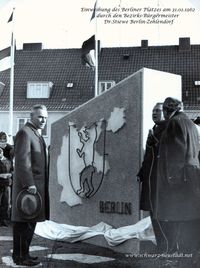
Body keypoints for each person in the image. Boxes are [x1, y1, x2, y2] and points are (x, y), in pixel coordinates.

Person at [154, 97, 200, 255]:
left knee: (175, 214)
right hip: (192, 175)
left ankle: (175, 251)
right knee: (188, 214)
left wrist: (172, 180)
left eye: (164, 111)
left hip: (180, 177)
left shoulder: (175, 123)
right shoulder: (190, 123)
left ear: (167, 110)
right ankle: (186, 251)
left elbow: (176, 153)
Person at [11, 104, 49, 266]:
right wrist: (29, 184)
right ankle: (20, 257)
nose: (43, 120)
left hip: (35, 189)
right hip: (28, 189)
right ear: (31, 116)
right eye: (40, 117)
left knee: (30, 223)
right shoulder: (24, 133)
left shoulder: (36, 134)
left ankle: (24, 254)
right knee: (22, 224)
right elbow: (22, 162)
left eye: (45, 118)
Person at [137, 103, 166, 252]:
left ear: (165, 112)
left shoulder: (166, 130)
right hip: (150, 179)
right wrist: (141, 173)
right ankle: (160, 244)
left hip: (160, 181)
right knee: (153, 213)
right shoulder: (154, 129)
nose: (154, 113)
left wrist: (155, 142)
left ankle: (164, 246)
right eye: (153, 111)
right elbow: (148, 156)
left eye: (158, 111)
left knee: (160, 214)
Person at [0, 148, 12, 227]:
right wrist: (1, 175)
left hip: (7, 186)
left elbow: (12, 171)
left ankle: (4, 221)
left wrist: (10, 174)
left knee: (6, 204)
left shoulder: (8, 161)